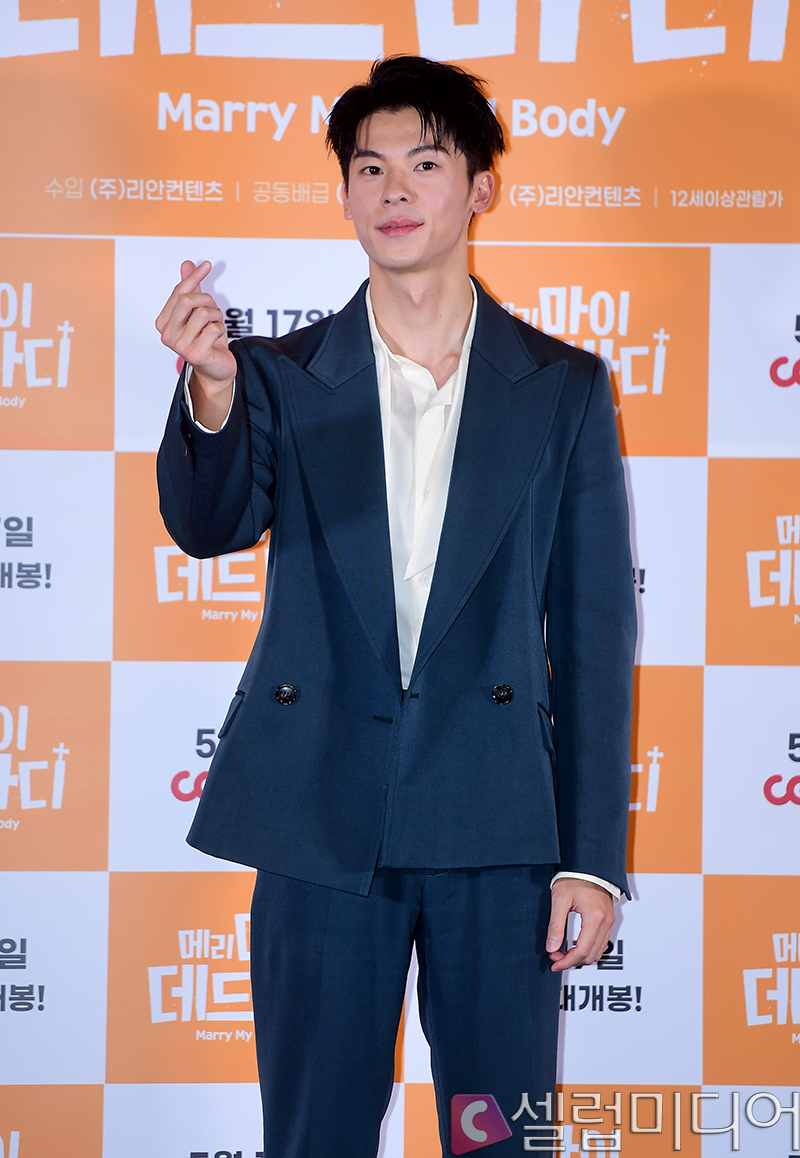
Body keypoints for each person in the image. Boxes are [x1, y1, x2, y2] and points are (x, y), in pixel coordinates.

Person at [155, 55, 636, 1158]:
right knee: (313, 1134)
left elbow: (594, 633)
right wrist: (212, 391)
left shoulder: (562, 386)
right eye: (369, 168)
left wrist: (589, 856)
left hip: (497, 824)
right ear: (344, 195)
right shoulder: (274, 373)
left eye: (425, 162)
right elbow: (209, 526)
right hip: (319, 814)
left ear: (479, 188)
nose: (394, 190)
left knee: (497, 1137)